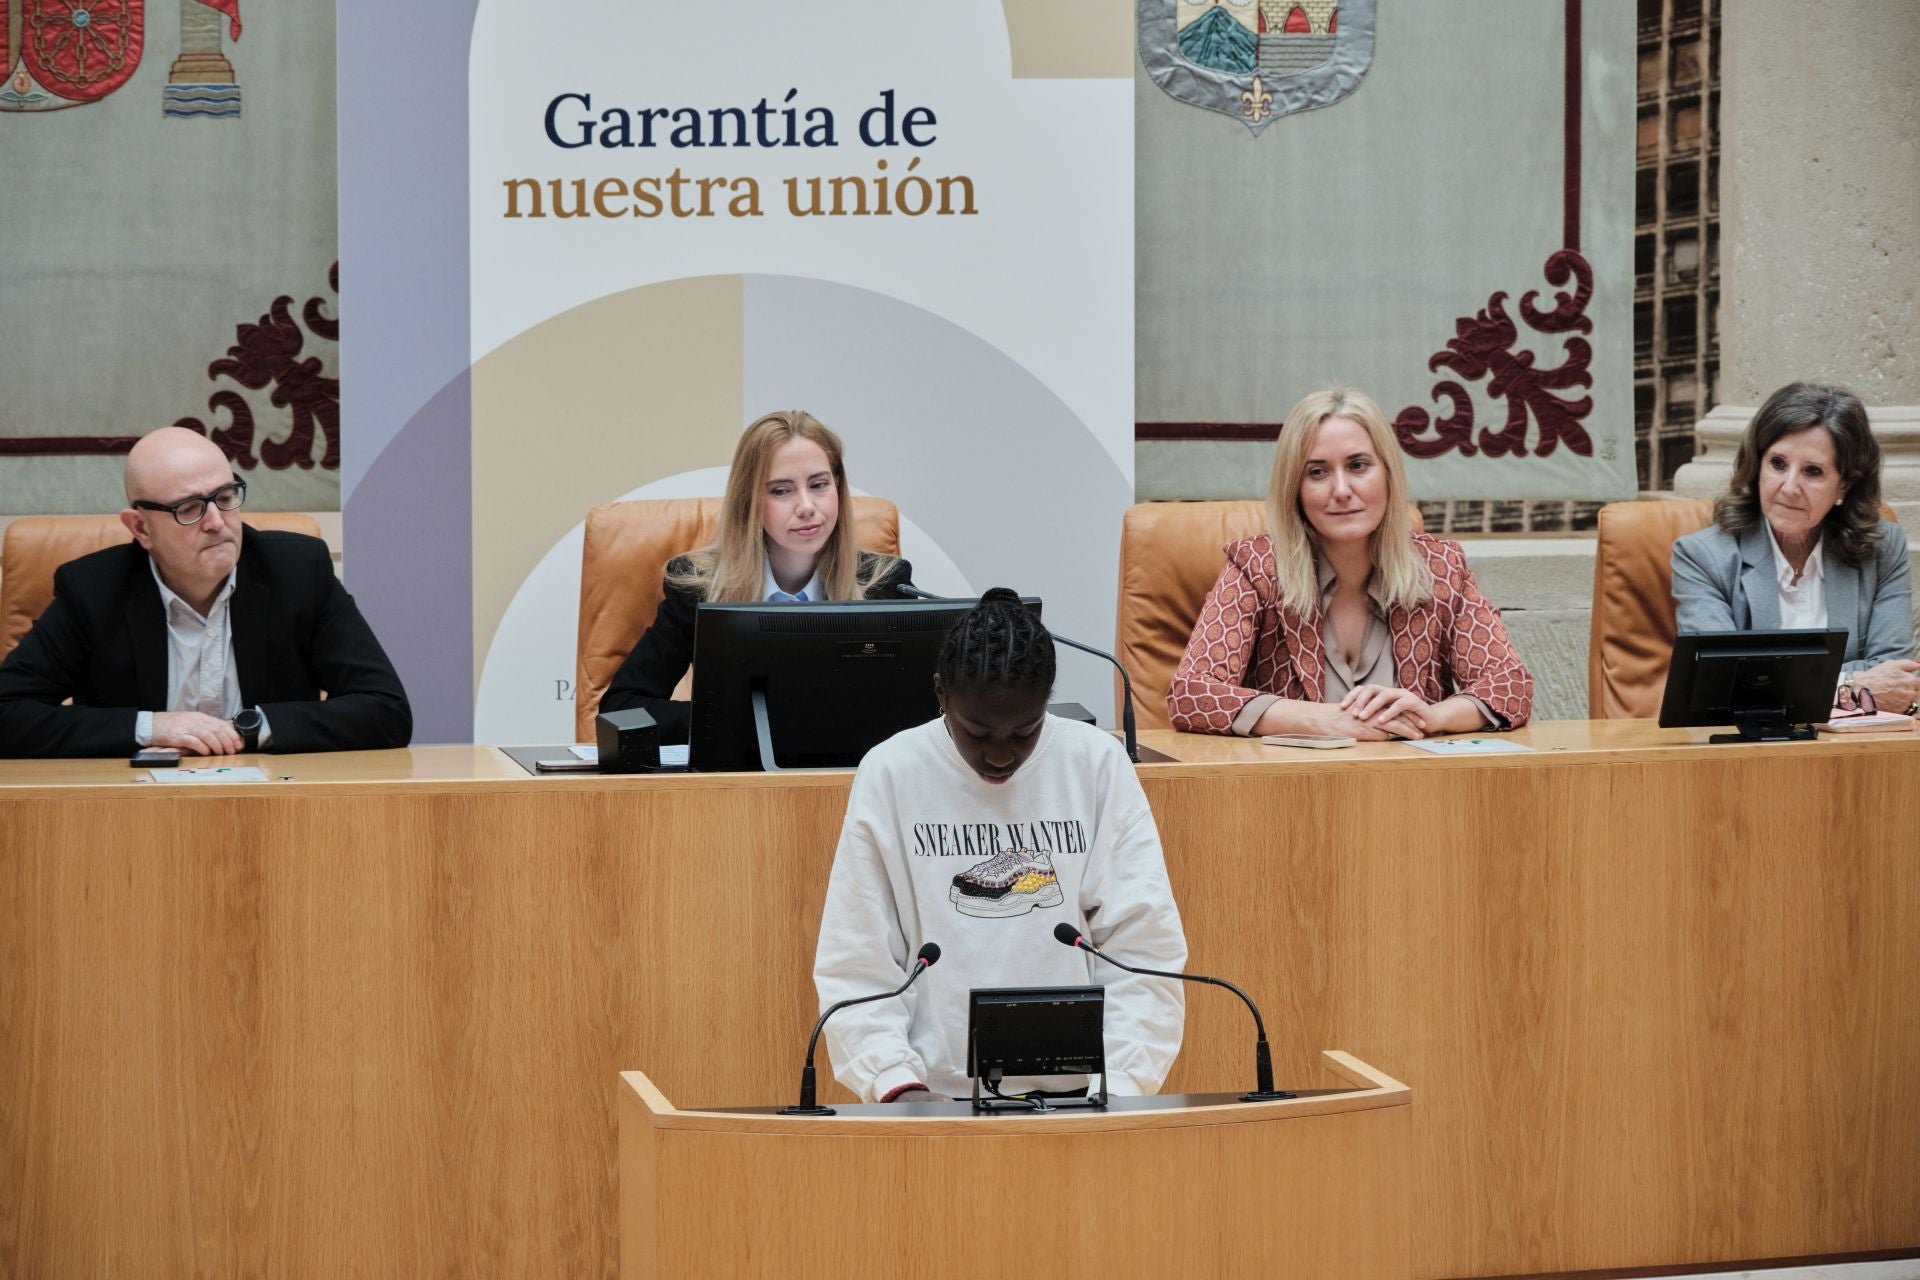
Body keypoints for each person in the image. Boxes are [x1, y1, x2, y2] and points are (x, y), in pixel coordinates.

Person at [812, 588, 1188, 1103]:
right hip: (933, 1101)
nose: (999, 756)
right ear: (941, 692)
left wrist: (1119, 1085)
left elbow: (1144, 947)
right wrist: (894, 1084)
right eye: (977, 732)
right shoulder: (893, 771)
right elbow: (856, 957)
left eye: (1024, 732)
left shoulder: (1096, 765)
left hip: (1083, 1096)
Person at [0, 427, 411, 758]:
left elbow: (385, 709)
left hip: (276, 806)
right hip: (132, 811)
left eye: (226, 497)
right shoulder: (93, 590)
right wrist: (153, 726)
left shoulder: (298, 571)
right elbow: (7, 713)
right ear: (141, 528)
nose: (217, 521)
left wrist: (249, 729)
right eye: (190, 508)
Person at [1168, 388, 1532, 738]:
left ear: (1388, 473)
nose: (1341, 490)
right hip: (1290, 791)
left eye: (1358, 466)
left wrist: (1433, 716)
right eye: (1317, 472)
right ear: (1294, 489)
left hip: (1412, 789)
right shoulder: (1257, 566)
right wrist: (1321, 720)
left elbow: (1510, 685)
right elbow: (1191, 694)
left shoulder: (1439, 567)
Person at [601, 410, 913, 743]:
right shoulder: (698, 587)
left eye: (819, 485)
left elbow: (924, 712)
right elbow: (621, 709)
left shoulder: (884, 584)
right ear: (749, 501)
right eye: (781, 491)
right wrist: (738, 719)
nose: (806, 506)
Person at [1672, 382, 1916, 712]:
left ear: (1846, 483)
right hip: (1749, 753)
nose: (1789, 487)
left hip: (1856, 750)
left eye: (1812, 471)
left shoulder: (1882, 550)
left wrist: (1770, 682)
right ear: (1757, 465)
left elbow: (1896, 678)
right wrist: (1850, 686)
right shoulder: (1702, 557)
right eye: (1777, 464)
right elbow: (1720, 683)